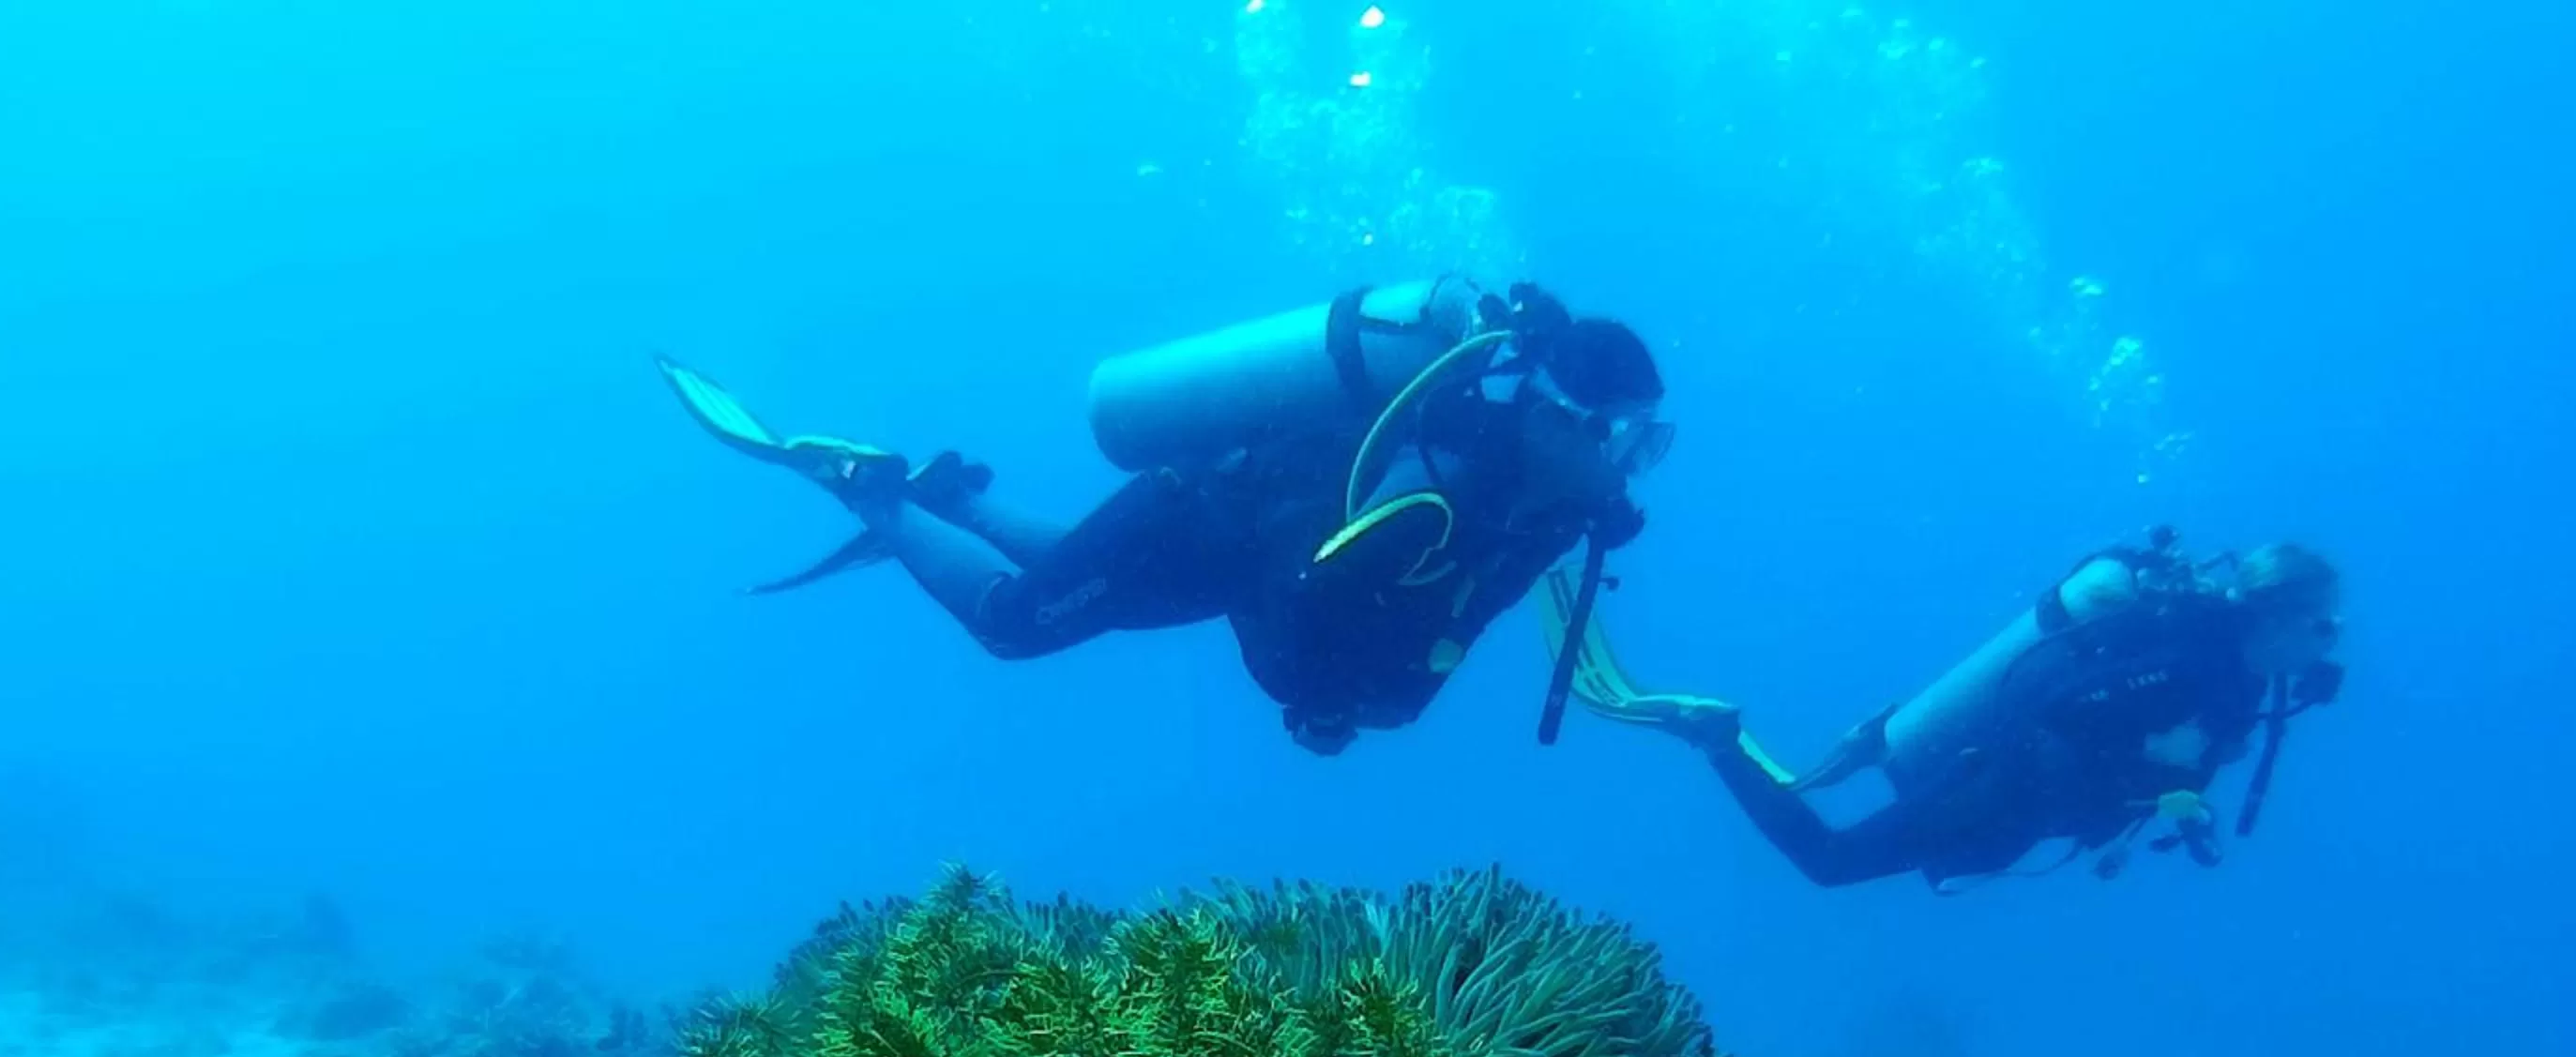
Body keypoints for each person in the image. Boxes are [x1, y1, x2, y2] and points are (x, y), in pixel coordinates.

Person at [656, 277, 1673, 755]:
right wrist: (1324, 703)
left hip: (1229, 553)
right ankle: (868, 488)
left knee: (1084, 582)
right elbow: (1317, 591)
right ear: (1568, 417)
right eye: (1627, 438)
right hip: (1213, 517)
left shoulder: (1533, 501)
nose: (1631, 466)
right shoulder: (1442, 481)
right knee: (1020, 622)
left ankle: (952, 494)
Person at [1541, 527, 2346, 891]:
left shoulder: (2240, 683)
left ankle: (1734, 745)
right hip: (2001, 782)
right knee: (1830, 864)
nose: (2331, 641)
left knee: (1835, 859)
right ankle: (1716, 737)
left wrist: (2169, 794)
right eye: (2322, 622)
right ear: (2274, 612)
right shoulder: (2192, 662)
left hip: (2029, 807)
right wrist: (2141, 774)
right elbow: (2062, 703)